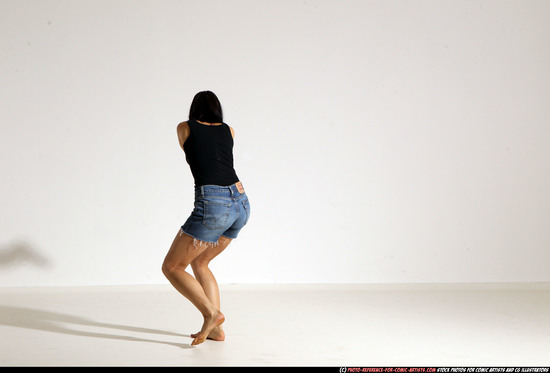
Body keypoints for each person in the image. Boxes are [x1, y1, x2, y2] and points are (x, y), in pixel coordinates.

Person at [162, 91, 251, 346]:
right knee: (200, 263)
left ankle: (212, 314)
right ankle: (216, 331)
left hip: (213, 205)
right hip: (241, 203)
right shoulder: (229, 130)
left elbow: (190, 150)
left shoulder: (184, 128)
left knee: (172, 267)